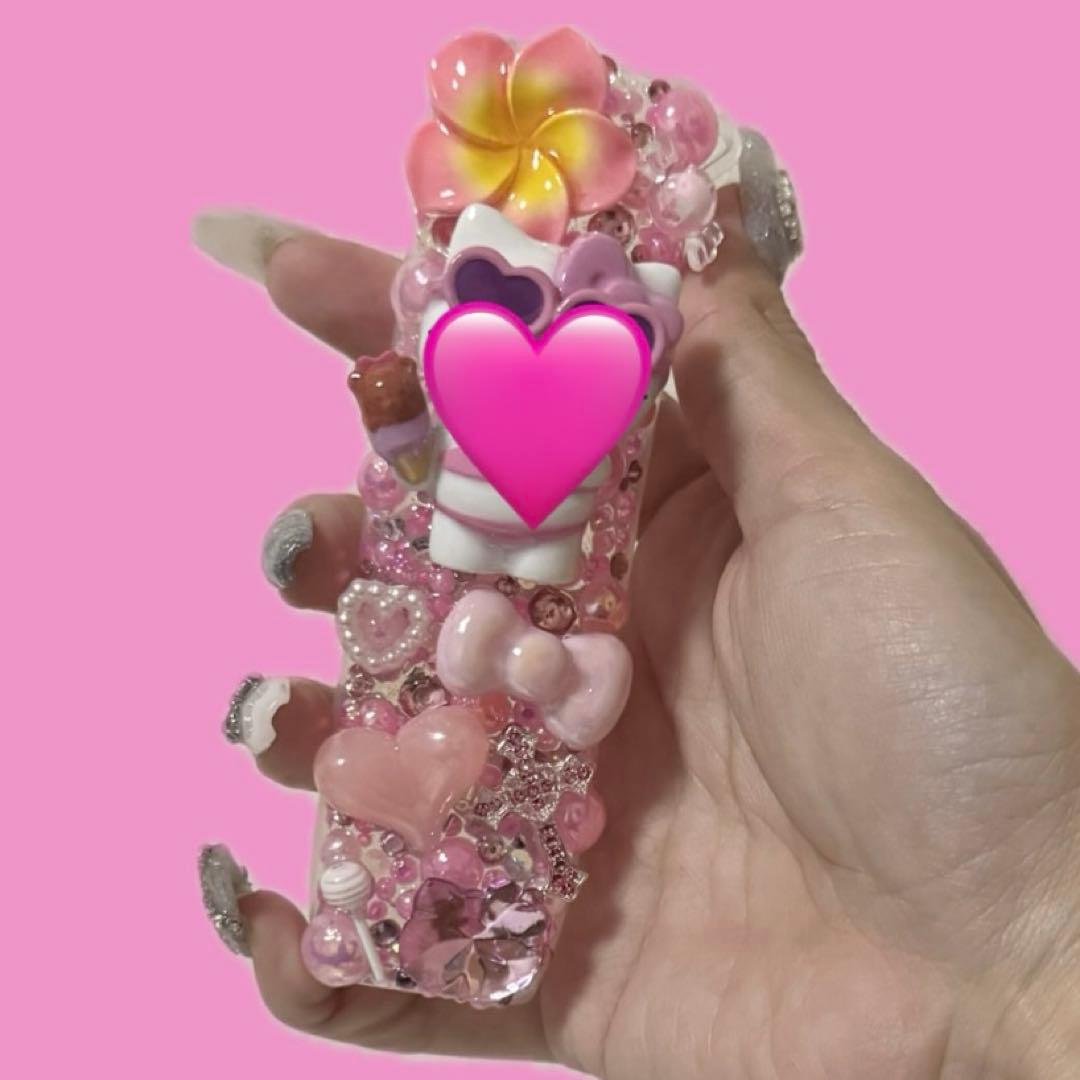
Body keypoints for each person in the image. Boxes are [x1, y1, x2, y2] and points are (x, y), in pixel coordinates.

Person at [194, 189, 1080, 1079]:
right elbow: (425, 466)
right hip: (472, 603)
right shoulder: (467, 375)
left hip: (533, 629)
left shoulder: (606, 361)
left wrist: (1036, 933)